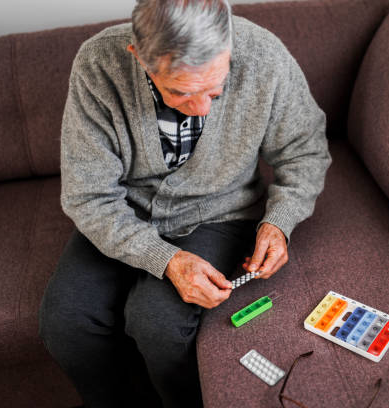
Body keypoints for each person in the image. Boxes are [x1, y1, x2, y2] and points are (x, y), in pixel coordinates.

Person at [39, 0, 331, 407]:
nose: (202, 109)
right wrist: (167, 259)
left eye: (216, 89)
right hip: (121, 210)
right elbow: (89, 195)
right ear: (138, 56)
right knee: (65, 321)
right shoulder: (98, 65)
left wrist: (279, 220)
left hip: (217, 211)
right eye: (180, 92)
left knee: (157, 323)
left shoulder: (264, 55)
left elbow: (305, 151)